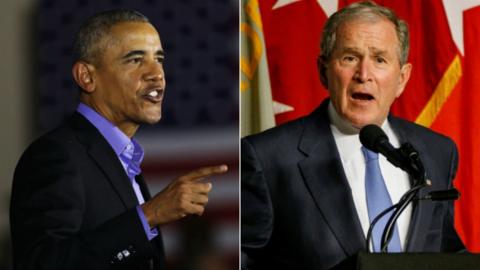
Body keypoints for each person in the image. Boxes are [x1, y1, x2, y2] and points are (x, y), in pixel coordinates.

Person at [241, 1, 464, 269]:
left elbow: (446, 251)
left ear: (402, 78)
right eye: (350, 58)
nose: (364, 74)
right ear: (323, 71)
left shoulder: (437, 152)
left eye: (379, 59)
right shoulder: (267, 157)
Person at [10, 9, 227, 270]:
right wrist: (151, 214)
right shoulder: (55, 156)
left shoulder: (122, 157)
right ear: (86, 77)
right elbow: (43, 264)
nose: (156, 74)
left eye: (159, 59)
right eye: (135, 60)